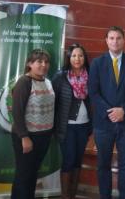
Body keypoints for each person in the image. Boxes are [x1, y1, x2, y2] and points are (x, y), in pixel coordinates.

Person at [88, 26, 125, 199]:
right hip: (103, 124)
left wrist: (124, 110)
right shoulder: (97, 63)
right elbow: (93, 92)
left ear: (123, 40)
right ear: (106, 40)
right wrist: (110, 112)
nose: (115, 41)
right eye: (111, 38)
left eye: (118, 38)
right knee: (103, 164)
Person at [11, 49, 55, 199]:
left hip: (44, 136)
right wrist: (24, 137)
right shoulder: (24, 82)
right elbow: (17, 112)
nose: (43, 65)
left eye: (46, 62)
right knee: (24, 176)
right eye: (39, 62)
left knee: (32, 174)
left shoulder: (47, 82)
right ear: (30, 63)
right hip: (27, 137)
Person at [52, 44, 92, 199]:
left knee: (77, 162)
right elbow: (53, 102)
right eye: (74, 55)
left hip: (84, 125)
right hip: (66, 127)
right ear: (68, 58)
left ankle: (73, 194)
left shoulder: (90, 75)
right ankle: (65, 196)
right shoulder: (60, 76)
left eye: (80, 55)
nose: (77, 59)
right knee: (68, 161)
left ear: (84, 58)